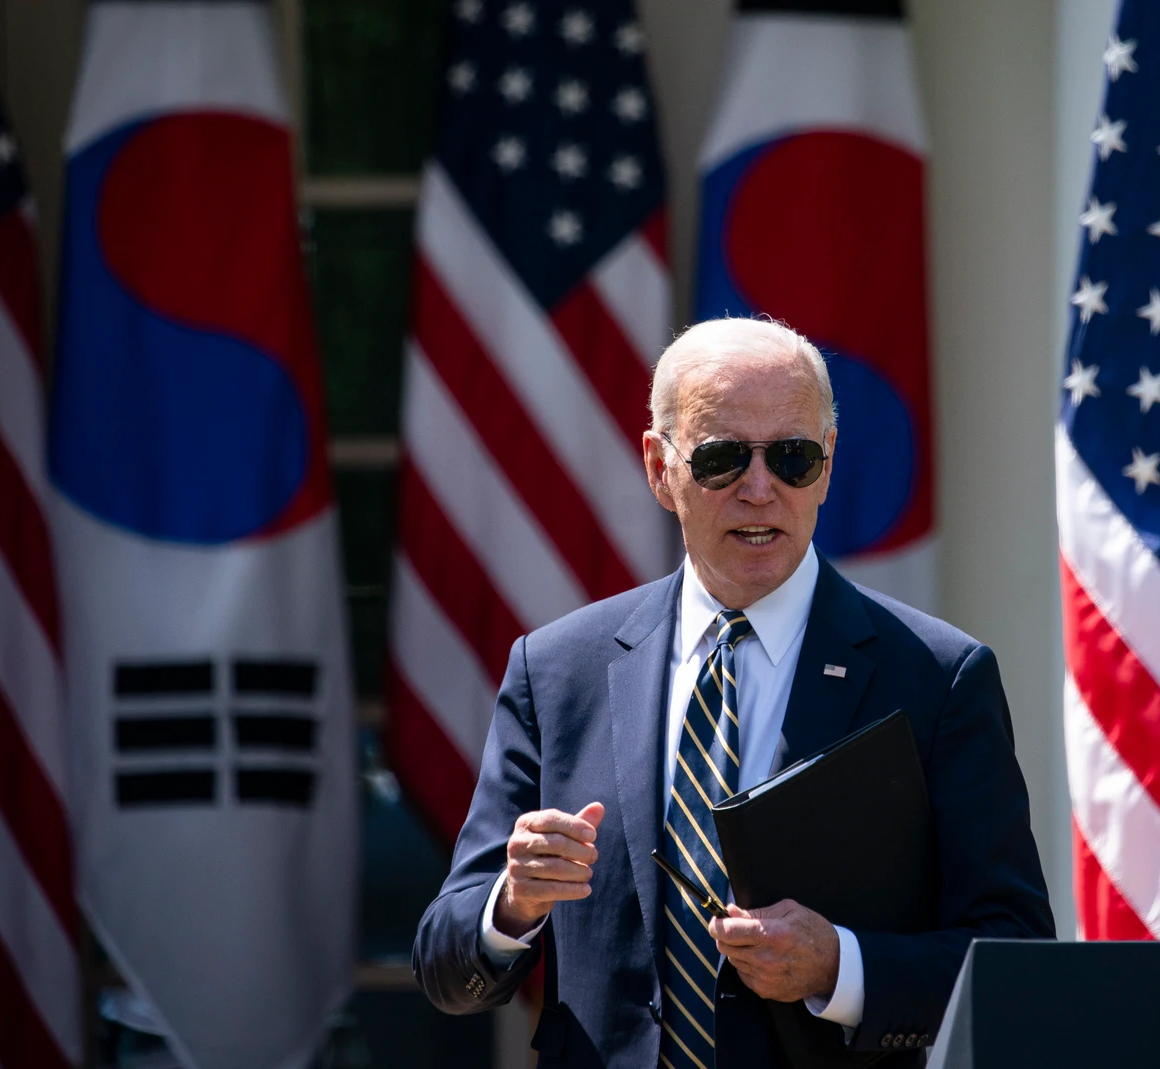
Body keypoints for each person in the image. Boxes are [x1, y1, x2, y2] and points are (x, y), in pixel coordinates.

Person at [413, 317, 1054, 1068]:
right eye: (721, 459)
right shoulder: (556, 671)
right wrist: (513, 904)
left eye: (792, 457)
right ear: (660, 468)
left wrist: (840, 967)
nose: (759, 489)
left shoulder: (938, 677)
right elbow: (444, 963)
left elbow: (1015, 961)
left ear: (828, 466)